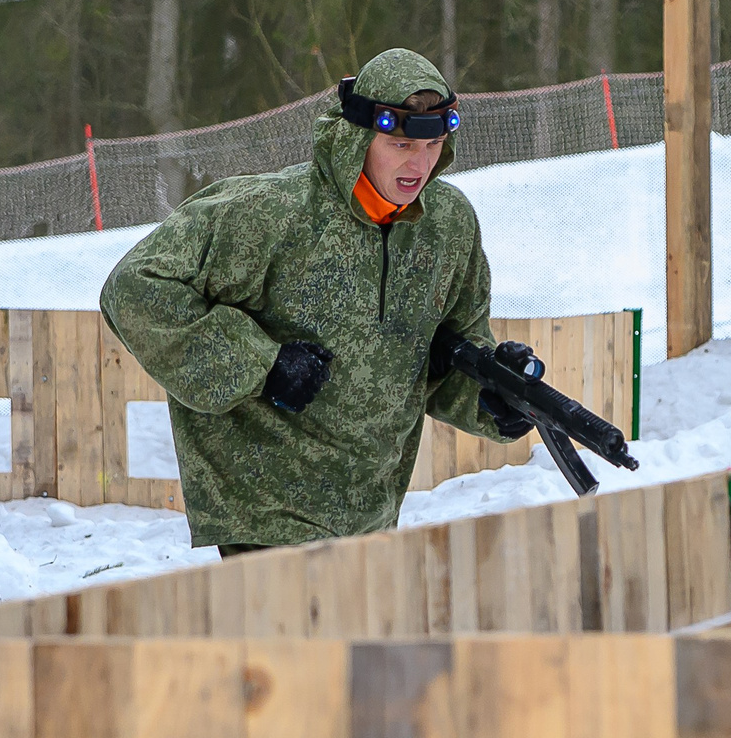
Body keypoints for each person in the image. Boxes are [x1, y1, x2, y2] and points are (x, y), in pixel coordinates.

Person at [99, 47, 530, 554]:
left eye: (435, 144)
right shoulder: (269, 212)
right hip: (266, 513)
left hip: (371, 511)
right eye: (399, 145)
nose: (420, 163)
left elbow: (445, 354)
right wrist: (264, 364)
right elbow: (133, 287)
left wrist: (493, 400)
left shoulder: (448, 224)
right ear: (358, 138)